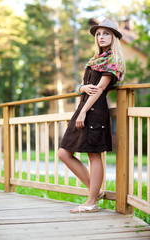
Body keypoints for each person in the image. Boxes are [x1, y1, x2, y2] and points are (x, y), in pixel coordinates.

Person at [58, 19, 125, 213]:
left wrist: (85, 111)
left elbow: (100, 89)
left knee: (94, 155)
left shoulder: (113, 60)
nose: (101, 37)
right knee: (64, 153)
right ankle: (94, 193)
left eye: (106, 33)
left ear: (113, 37)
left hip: (94, 111)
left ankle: (92, 201)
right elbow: (83, 86)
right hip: (83, 108)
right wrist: (81, 88)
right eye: (98, 34)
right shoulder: (96, 59)